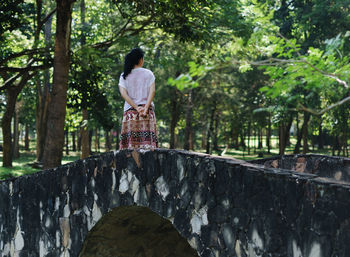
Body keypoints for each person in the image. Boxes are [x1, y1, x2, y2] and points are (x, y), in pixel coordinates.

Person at [118, 48, 158, 150]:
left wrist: (136, 107)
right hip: (146, 113)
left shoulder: (124, 75)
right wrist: (145, 108)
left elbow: (124, 94)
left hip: (130, 114)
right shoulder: (148, 73)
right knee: (148, 148)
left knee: (130, 149)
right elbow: (152, 92)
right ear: (140, 60)